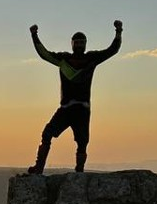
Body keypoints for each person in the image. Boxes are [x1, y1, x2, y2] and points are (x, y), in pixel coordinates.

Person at [27, 20, 122, 174]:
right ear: (72, 44)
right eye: (76, 43)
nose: (78, 45)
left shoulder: (91, 58)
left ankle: (79, 171)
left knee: (82, 142)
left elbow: (112, 50)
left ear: (85, 44)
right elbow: (44, 54)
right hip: (67, 108)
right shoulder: (64, 59)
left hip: (81, 108)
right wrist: (34, 36)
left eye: (81, 43)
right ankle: (40, 167)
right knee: (48, 133)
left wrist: (118, 32)